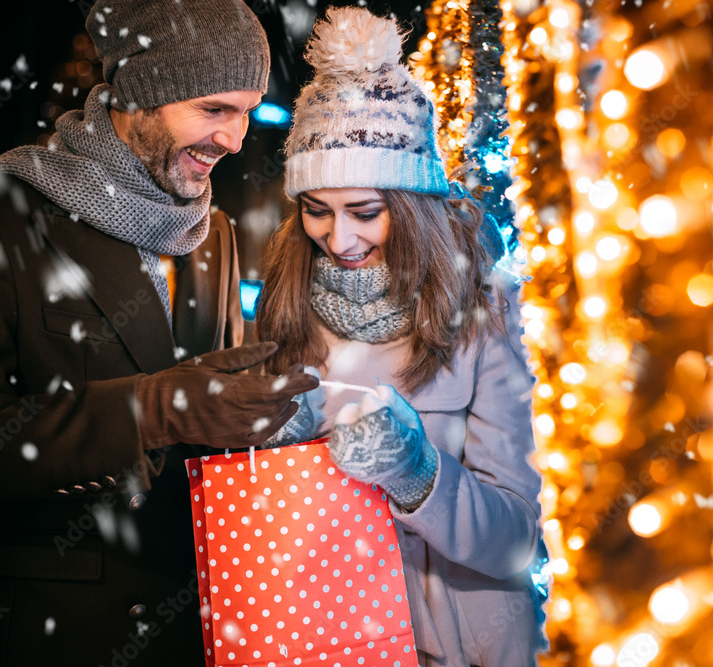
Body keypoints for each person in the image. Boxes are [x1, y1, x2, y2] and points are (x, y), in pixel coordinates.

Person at [0, 0, 318, 664]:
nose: (236, 139)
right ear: (142, 94)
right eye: (214, 109)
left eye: (246, 110)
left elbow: (211, 421)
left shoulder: (216, 236)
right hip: (57, 633)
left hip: (195, 628)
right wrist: (152, 409)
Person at [255, 7, 545, 666]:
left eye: (365, 211)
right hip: (326, 636)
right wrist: (277, 437)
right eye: (315, 211)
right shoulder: (286, 297)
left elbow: (517, 540)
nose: (340, 238)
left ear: (411, 202)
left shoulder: (485, 305)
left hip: (457, 650)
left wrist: (418, 476)